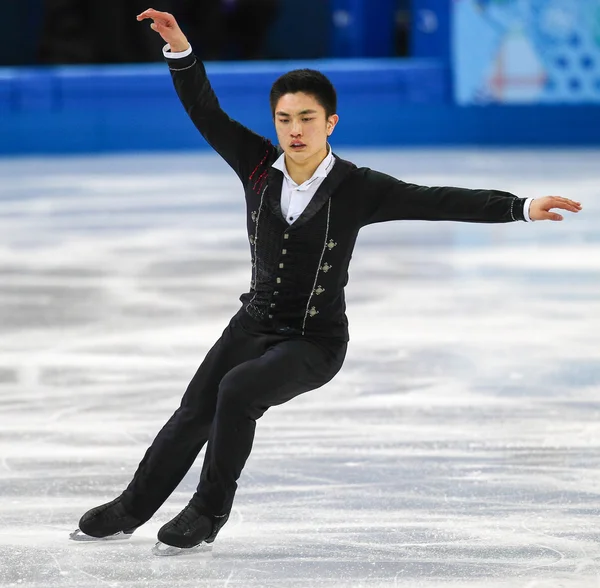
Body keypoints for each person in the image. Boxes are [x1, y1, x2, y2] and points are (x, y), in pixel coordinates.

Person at [71, 8, 582, 555]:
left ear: (330, 123)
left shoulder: (358, 187)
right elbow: (205, 110)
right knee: (196, 407)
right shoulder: (256, 166)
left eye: (307, 119)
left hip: (314, 340)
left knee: (237, 392)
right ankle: (131, 507)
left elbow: (439, 199)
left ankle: (208, 510)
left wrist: (521, 206)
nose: (295, 130)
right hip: (254, 322)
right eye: (285, 118)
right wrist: (179, 49)